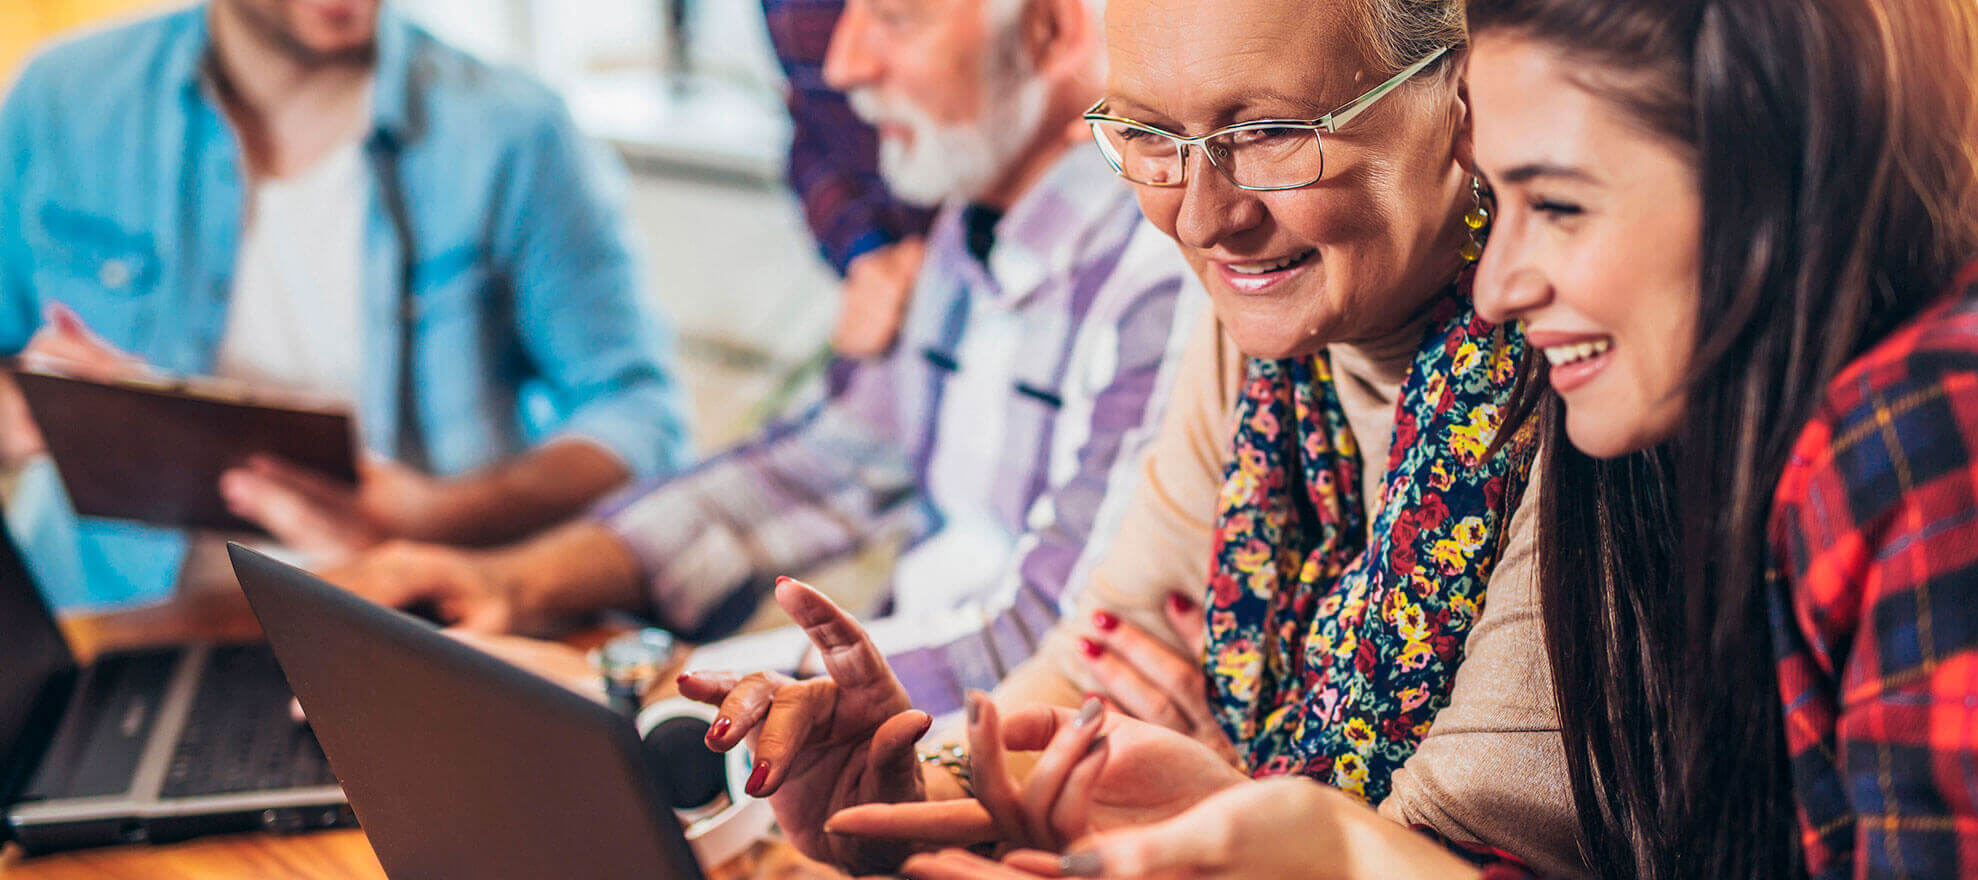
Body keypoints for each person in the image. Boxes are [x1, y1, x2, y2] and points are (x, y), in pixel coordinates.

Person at [890, 0, 1978, 876]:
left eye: (1554, 205)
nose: (1497, 286)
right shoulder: (1859, 409)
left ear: (1771, 165)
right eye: (1501, 201)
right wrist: (1260, 827)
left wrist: (1334, 851)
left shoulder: (1974, 427)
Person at [675, 0, 1590, 873]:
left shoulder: (1589, 379)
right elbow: (1099, 662)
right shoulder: (1264, 338)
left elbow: (1455, 849)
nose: (1199, 218)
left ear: (1466, 98)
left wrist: (1207, 799)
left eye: (1271, 133)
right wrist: (909, 783)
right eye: (1151, 135)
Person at [323, 0, 1196, 716]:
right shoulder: (965, 238)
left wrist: (643, 695)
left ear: (1053, 29)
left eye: (893, 18)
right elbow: (814, 473)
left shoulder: (1166, 283)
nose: (845, 65)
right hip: (891, 733)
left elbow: (1055, 644)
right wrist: (509, 582)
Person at [0, 0, 689, 608]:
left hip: (407, 628)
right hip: (115, 624)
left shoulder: (513, 131)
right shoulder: (61, 102)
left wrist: (442, 516)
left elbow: (639, 416)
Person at [761, 0, 936, 358]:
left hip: (1030, 265)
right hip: (893, 300)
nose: (842, 68)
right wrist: (865, 251)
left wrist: (956, 242)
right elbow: (808, 126)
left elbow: (1080, 84)